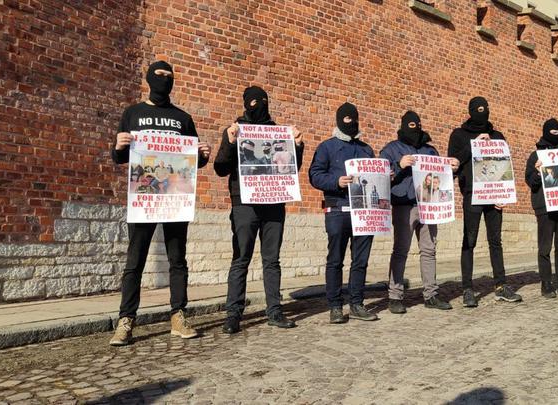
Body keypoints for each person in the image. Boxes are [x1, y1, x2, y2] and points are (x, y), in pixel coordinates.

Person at [109, 61, 211, 346]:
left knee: (178, 260)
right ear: (149, 78)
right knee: (135, 261)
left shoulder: (183, 118)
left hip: (175, 199)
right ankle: (126, 320)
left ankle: (178, 315)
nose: (164, 80)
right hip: (144, 199)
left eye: (169, 76)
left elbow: (192, 162)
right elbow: (120, 157)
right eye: (159, 75)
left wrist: (203, 155)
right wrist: (118, 145)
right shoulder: (133, 113)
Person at [214, 85, 304, 334]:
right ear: (246, 104)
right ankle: (233, 314)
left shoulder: (278, 132)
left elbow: (291, 170)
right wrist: (230, 142)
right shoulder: (236, 129)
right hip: (244, 203)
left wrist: (297, 146)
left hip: (274, 203)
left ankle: (274, 310)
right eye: (254, 102)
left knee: (272, 260)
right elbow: (220, 168)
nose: (258, 105)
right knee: (241, 258)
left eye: (262, 101)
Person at [380, 110, 459, 314]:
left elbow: (441, 179)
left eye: (417, 125)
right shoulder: (391, 149)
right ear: (403, 126)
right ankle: (395, 296)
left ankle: (431, 294)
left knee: (429, 249)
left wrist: (453, 169)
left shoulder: (430, 150)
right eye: (411, 125)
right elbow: (380, 177)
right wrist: (399, 165)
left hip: (429, 206)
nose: (415, 128)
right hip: (404, 206)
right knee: (401, 250)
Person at [448, 96, 522, 307]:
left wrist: (504, 195)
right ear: (471, 111)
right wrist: (474, 145)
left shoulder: (497, 136)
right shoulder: (459, 135)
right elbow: (452, 164)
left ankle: (501, 285)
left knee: (495, 241)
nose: (483, 113)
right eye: (479, 109)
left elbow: (504, 167)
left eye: (485, 109)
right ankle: (467, 289)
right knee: (469, 240)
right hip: (472, 194)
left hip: (494, 195)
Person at [309, 102, 378, 323]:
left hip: (364, 211)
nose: (351, 122)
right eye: (347, 118)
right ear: (339, 120)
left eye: (354, 118)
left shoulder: (366, 149)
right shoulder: (326, 147)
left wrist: (385, 177)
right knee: (335, 260)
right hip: (338, 209)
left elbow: (373, 178)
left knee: (361, 260)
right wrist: (336, 181)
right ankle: (335, 306)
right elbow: (315, 175)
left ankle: (357, 303)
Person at [524, 118, 558, 298]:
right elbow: (531, 182)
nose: (556, 134)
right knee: (545, 247)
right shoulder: (536, 156)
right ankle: (546, 283)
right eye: (553, 132)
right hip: (545, 207)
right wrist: (537, 172)